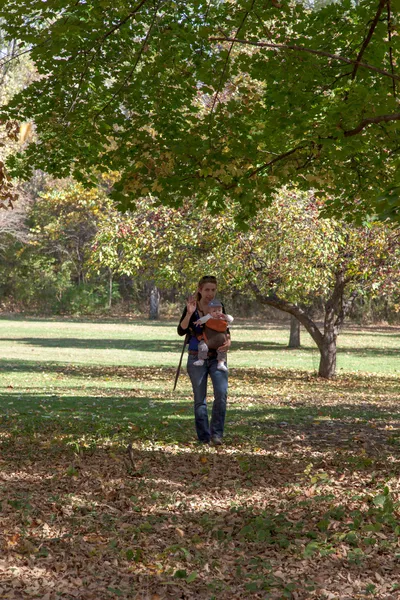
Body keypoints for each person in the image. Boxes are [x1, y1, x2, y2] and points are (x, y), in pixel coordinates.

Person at [177, 276, 231, 446]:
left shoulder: (219, 306)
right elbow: (181, 330)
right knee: (200, 399)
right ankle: (203, 437)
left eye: (213, 290)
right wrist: (190, 312)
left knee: (221, 395)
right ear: (200, 289)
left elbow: (225, 328)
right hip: (196, 356)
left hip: (217, 357)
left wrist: (229, 341)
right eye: (207, 290)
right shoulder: (193, 307)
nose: (210, 293)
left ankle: (217, 435)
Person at [193, 299, 233, 372]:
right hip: (208, 340)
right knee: (202, 345)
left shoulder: (223, 317)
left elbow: (231, 319)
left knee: (222, 349)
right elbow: (203, 319)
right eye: (214, 311)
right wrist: (199, 321)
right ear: (210, 312)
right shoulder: (209, 317)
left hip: (221, 342)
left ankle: (221, 363)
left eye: (219, 310)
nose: (217, 312)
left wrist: (226, 316)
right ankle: (201, 359)